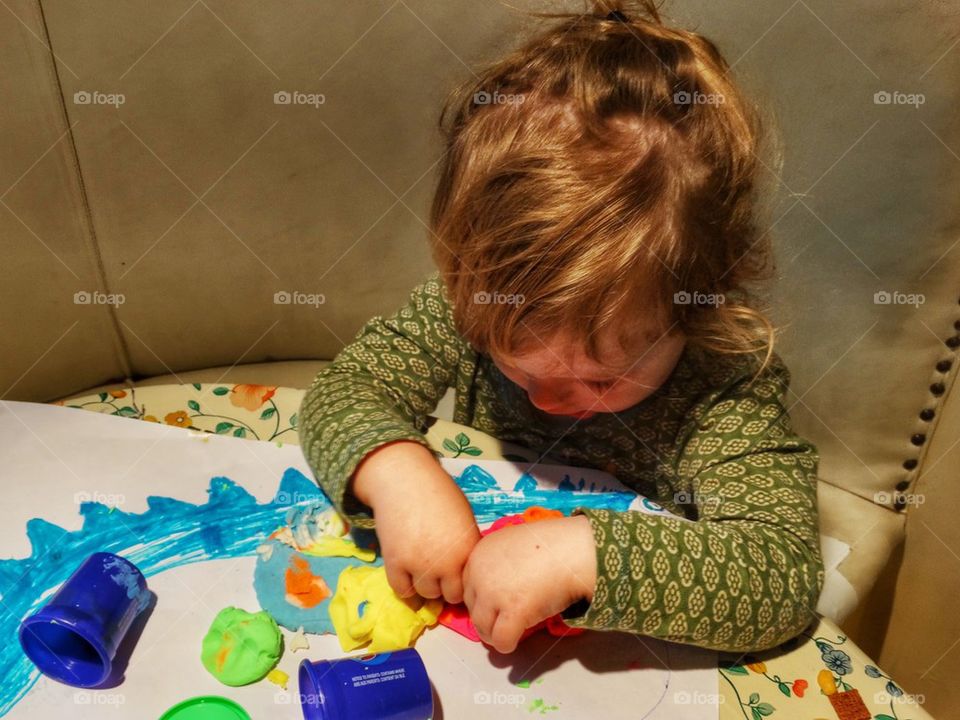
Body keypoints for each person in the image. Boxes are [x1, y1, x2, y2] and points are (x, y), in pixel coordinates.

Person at [299, 0, 823, 655]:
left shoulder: (724, 385)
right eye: (515, 365)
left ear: (703, 305)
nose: (546, 400)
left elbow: (782, 578)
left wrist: (586, 557)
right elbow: (343, 392)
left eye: (601, 379)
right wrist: (392, 471)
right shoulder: (473, 311)